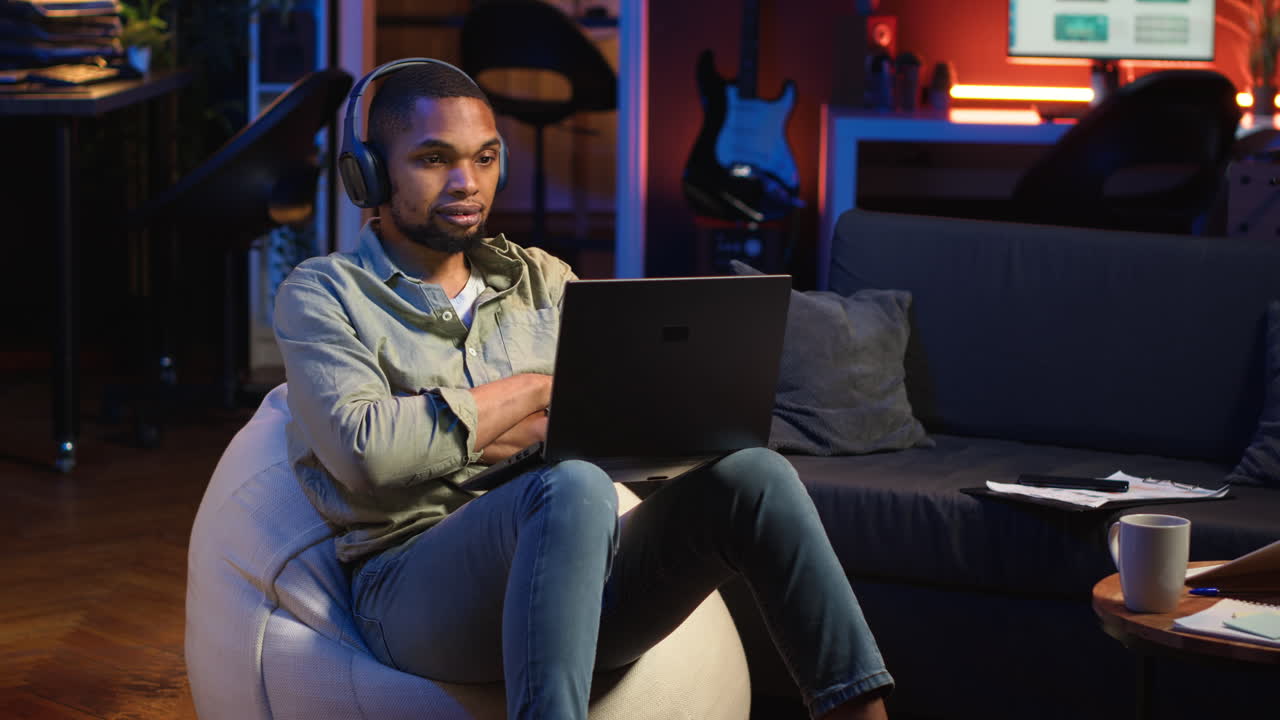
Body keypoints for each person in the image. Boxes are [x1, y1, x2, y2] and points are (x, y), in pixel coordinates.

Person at [273, 58, 893, 720]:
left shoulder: (544, 280)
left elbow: (604, 424)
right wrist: (534, 390)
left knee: (757, 476)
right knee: (567, 483)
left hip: (573, 575)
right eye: (434, 159)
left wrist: (451, 433)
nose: (467, 183)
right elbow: (367, 453)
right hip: (411, 591)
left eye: (485, 159)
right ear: (369, 173)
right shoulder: (323, 293)